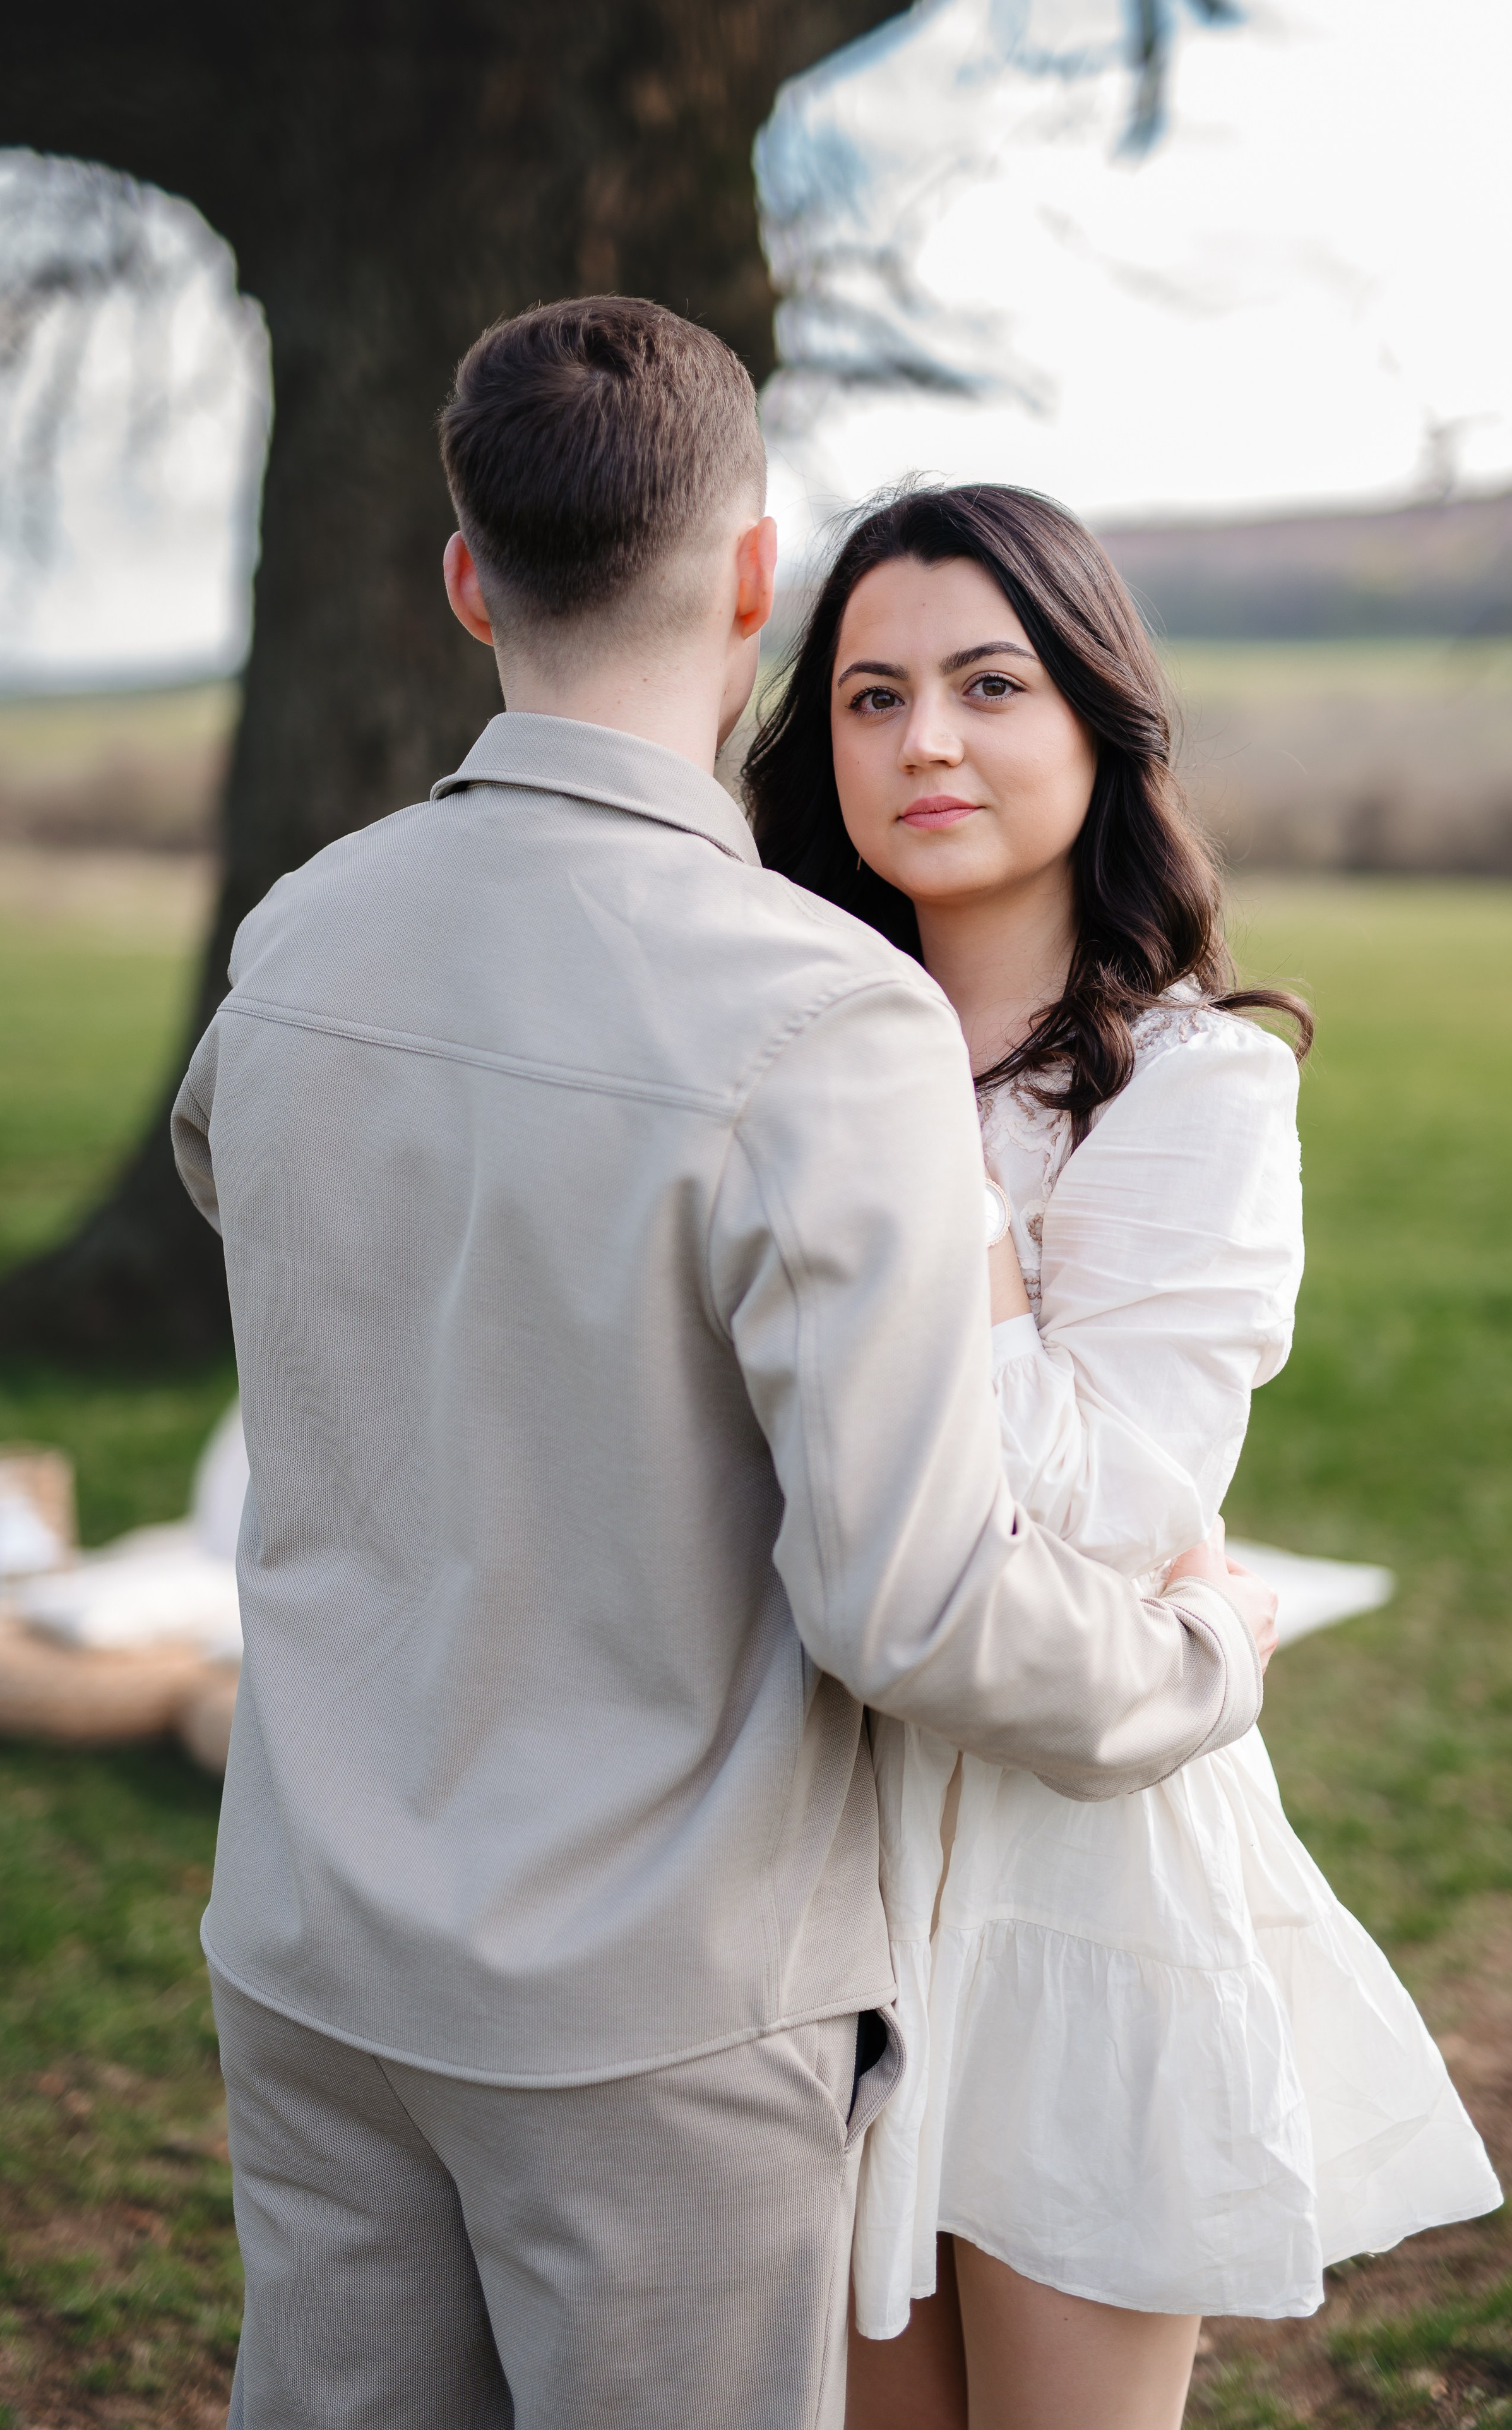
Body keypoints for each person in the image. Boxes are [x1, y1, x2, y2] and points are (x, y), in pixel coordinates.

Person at [169, 304, 1277, 2430]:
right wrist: (1202, 1667)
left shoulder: (307, 931)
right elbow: (908, 1601)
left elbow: (254, 1184)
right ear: (758, 584)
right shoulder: (815, 1018)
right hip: (652, 2016)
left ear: (468, 578)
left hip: (307, 1947)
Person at [747, 483, 1503, 2430]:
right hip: (800, 1877)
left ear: (1098, 721)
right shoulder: (758, 1063)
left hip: (1074, 1884)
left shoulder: (1201, 1092)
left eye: (989, 685)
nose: (923, 740)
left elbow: (1086, 1515)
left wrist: (921, 1127)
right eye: (870, 694)